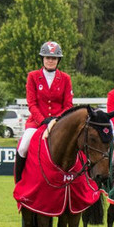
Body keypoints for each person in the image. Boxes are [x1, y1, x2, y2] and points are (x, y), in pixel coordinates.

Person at [14, 41, 73, 183]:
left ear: (58, 60)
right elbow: (32, 103)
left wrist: (56, 120)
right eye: (47, 57)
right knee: (23, 146)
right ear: (43, 59)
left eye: (53, 58)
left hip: (59, 123)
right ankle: (19, 181)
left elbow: (68, 105)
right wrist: (43, 120)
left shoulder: (65, 78)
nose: (50, 60)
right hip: (37, 122)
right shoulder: (33, 76)